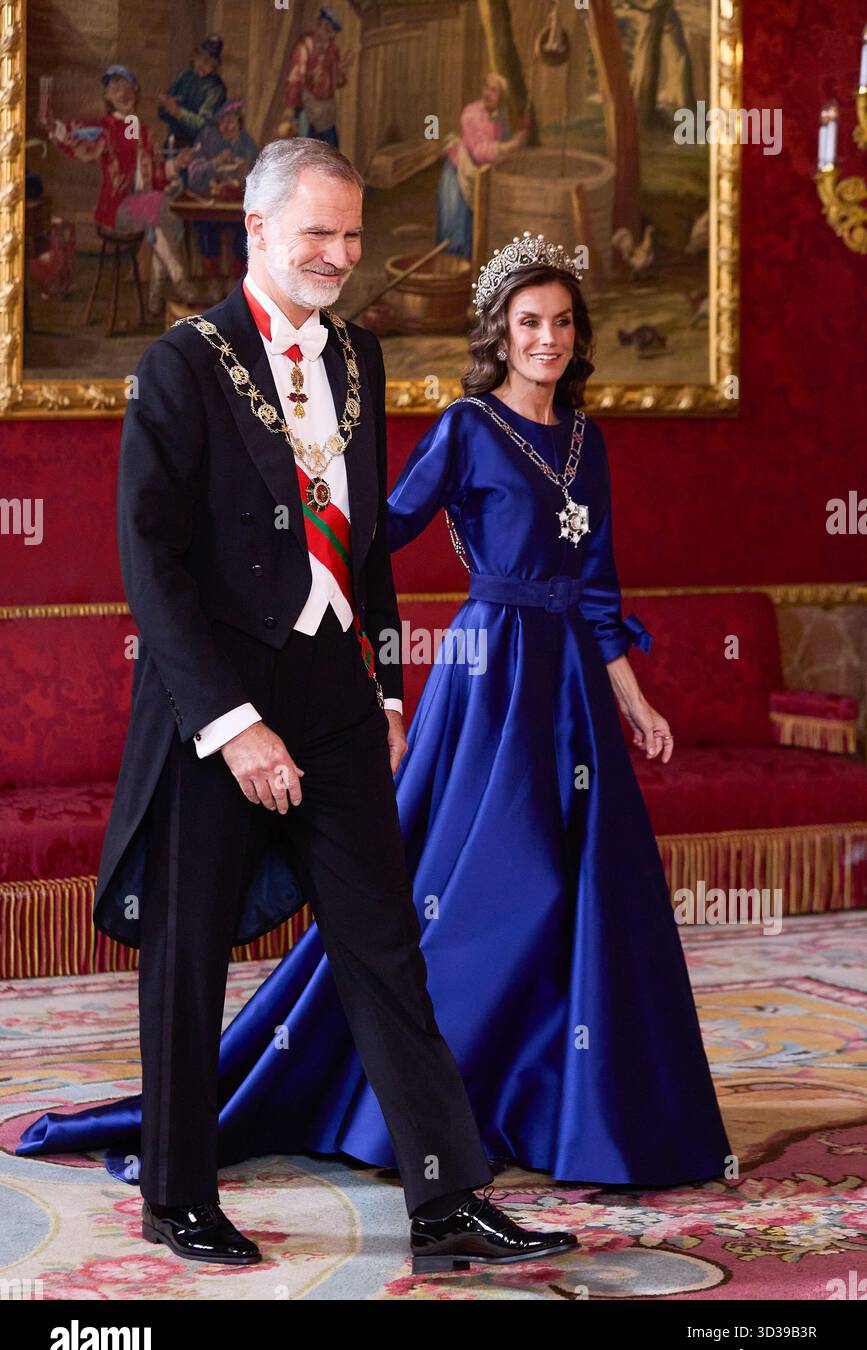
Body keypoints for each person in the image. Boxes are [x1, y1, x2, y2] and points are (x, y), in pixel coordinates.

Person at [17, 146, 576, 1276]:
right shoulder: (182, 365)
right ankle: (179, 1198)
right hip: (209, 712)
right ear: (261, 233)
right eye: (318, 235)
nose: (339, 257)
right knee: (187, 962)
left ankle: (446, 1196)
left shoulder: (360, 360)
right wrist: (234, 724)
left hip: (333, 701)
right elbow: (152, 565)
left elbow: (366, 552)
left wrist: (382, 687)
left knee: (385, 948)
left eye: (353, 236)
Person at [42, 64, 196, 312]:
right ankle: (179, 279)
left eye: (127, 87)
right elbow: (81, 145)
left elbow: (156, 173)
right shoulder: (105, 129)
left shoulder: (140, 130)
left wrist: (176, 164)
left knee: (159, 215)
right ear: (107, 96)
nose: (122, 94)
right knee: (159, 208)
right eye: (115, 89)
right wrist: (55, 129)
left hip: (144, 207)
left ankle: (156, 295)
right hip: (116, 209)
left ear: (136, 91)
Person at [436, 73, 528, 259]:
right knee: (455, 233)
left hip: (480, 178)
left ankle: (467, 277)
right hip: (459, 176)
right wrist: (513, 144)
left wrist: (520, 134)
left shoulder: (500, 117)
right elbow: (479, 151)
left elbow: (503, 147)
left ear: (502, 97)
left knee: (475, 233)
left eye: (494, 91)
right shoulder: (471, 113)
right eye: (487, 87)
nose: (488, 93)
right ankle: (450, 278)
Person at [187, 98, 258, 303]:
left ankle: (236, 282)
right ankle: (214, 282)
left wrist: (246, 173)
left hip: (240, 205)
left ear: (239, 122)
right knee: (206, 226)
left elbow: (259, 178)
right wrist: (215, 163)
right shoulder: (212, 143)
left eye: (231, 121)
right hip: (216, 204)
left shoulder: (247, 144)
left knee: (245, 230)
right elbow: (194, 174)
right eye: (222, 123)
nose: (226, 127)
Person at [281, 7, 353, 147]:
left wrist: (341, 71)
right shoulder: (305, 47)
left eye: (331, 32)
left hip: (325, 110)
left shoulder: (332, 50)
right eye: (325, 29)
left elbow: (337, 81)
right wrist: (291, 106)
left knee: (330, 150)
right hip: (307, 107)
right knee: (306, 150)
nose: (328, 36)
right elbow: (295, 78)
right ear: (319, 26)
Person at [157, 34, 227, 152]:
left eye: (207, 62)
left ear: (214, 66)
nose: (201, 64)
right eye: (199, 58)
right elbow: (162, 112)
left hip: (199, 149)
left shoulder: (216, 89)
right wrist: (166, 105)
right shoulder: (186, 76)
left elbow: (204, 125)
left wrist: (178, 112)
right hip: (173, 143)